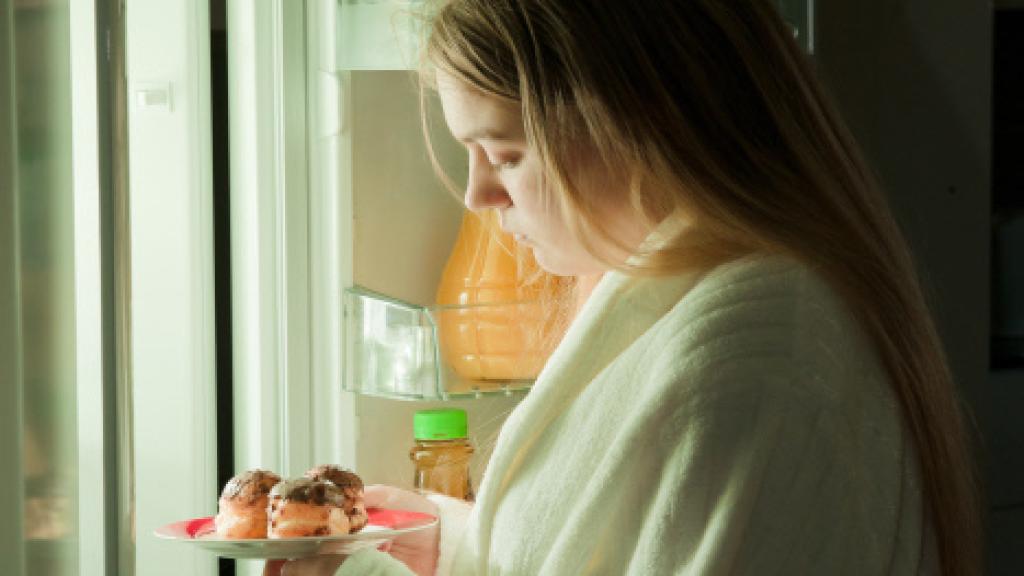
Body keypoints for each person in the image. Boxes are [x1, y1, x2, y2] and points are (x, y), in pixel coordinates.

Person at [268, 1, 982, 574]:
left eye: (505, 153)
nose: (480, 193)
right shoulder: (683, 292)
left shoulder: (753, 365)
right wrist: (449, 546)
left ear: (640, 124)